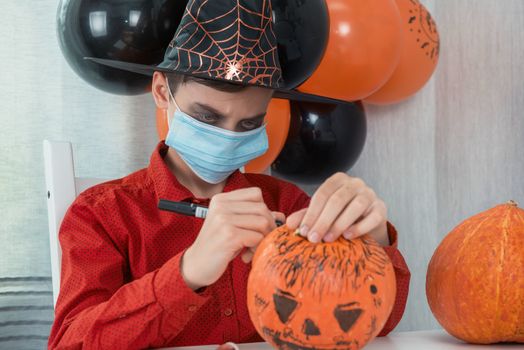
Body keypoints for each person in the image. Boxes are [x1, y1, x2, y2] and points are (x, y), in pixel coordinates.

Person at [48, 1, 410, 349]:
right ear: (162, 91)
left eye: (249, 123)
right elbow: (70, 344)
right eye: (207, 117)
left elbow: (375, 322)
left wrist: (373, 241)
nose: (226, 137)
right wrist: (187, 272)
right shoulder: (101, 215)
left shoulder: (287, 205)